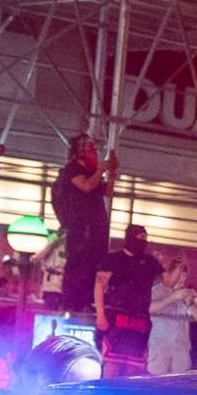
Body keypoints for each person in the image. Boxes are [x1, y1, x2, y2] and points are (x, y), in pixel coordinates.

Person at [48, 134, 117, 313]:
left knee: (93, 265)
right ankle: (71, 302)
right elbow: (86, 186)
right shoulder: (72, 169)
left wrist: (112, 172)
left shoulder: (91, 170)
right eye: (90, 148)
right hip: (80, 225)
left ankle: (87, 301)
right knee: (78, 264)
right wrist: (101, 170)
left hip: (96, 227)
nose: (94, 152)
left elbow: (107, 191)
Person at [94, 224, 160, 378]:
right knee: (112, 362)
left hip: (139, 319)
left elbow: (168, 281)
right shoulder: (112, 259)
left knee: (135, 366)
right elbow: (99, 286)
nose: (143, 241)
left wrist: (179, 267)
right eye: (140, 237)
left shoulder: (149, 262)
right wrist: (100, 314)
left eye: (145, 238)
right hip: (116, 317)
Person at [146, 258, 197, 376]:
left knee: (179, 384)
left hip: (181, 348)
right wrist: (173, 297)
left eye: (184, 277)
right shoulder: (157, 290)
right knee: (157, 382)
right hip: (159, 346)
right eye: (178, 276)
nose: (181, 280)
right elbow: (149, 308)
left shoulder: (189, 293)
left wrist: (190, 304)